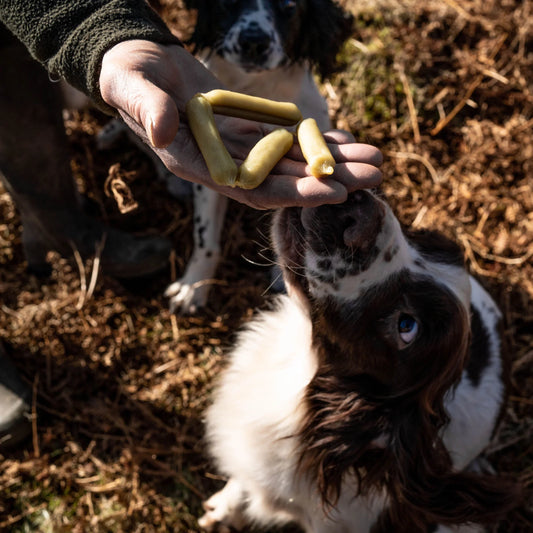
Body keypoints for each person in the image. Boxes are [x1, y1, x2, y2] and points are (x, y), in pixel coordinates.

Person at [0, 0, 383, 451]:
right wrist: (203, 264)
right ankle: (65, 223)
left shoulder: (306, 100)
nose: (256, 30)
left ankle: (61, 222)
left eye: (284, 8)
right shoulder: (203, 86)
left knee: (307, 183)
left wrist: (102, 28)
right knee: (181, 154)